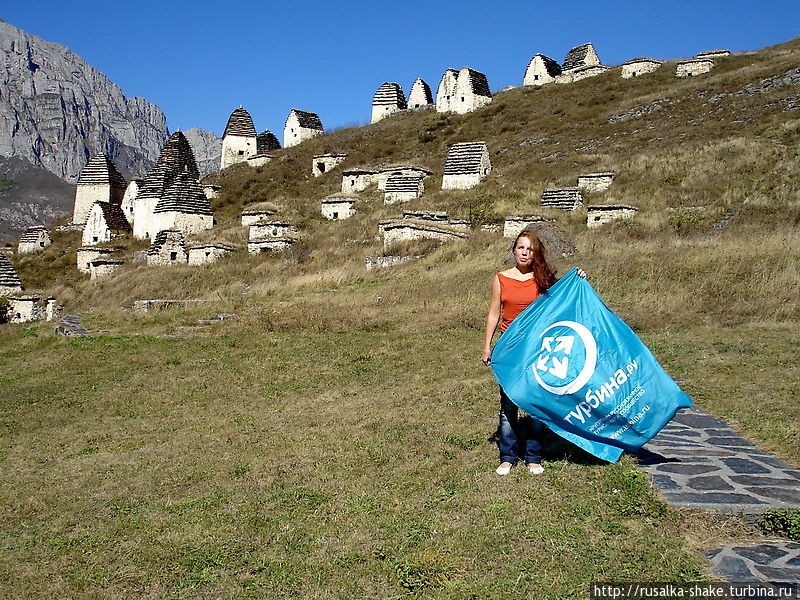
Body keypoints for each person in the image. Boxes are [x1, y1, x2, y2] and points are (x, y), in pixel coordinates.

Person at [481, 229, 565, 476]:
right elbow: (494, 313)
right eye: (520, 247)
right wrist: (487, 344)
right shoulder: (500, 278)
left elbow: (564, 299)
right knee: (508, 405)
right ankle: (507, 457)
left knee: (537, 403)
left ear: (535, 253)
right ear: (514, 250)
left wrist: (579, 277)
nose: (524, 252)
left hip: (538, 349)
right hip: (509, 350)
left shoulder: (543, 278)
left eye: (529, 249)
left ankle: (533, 457)